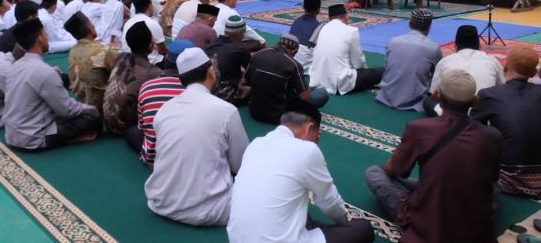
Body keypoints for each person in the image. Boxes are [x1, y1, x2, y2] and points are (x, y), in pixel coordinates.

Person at [366, 70, 501, 243]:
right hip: (473, 219)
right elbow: (493, 177)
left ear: (437, 96)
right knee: (492, 187)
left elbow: (396, 170)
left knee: (374, 173)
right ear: (474, 101)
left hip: (430, 220)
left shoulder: (419, 129)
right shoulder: (491, 135)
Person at [229, 99, 374, 243]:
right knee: (363, 228)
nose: (316, 142)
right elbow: (330, 203)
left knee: (296, 205)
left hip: (237, 239)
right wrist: (346, 222)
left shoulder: (256, 144)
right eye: (316, 137)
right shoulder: (307, 150)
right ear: (309, 127)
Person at [144, 47, 249, 226]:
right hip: (211, 211)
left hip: (161, 202)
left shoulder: (164, 109)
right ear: (211, 72)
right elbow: (240, 165)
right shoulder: (226, 110)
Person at [472, 46, 541, 198]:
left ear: (505, 66)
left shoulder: (488, 94)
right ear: (533, 73)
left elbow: (474, 136)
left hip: (511, 179)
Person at [3, 18, 102, 150]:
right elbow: (67, 110)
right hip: (35, 138)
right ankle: (71, 139)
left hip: (12, 135)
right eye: (45, 34)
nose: (47, 37)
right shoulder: (44, 71)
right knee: (93, 116)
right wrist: (89, 108)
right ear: (40, 38)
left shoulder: (16, 66)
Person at [245, 34, 329, 124]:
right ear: (294, 51)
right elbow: (305, 96)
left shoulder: (258, 55)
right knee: (322, 93)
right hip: (279, 116)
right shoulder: (293, 64)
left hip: (254, 111)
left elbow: (244, 81)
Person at [104, 21, 161, 147]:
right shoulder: (153, 73)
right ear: (151, 46)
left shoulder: (121, 57)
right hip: (125, 128)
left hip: (107, 122)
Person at [425, 25, 503, 116]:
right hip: (483, 114)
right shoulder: (492, 61)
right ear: (479, 45)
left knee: (428, 101)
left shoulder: (445, 61)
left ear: (455, 45)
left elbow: (434, 93)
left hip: (451, 115)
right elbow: (502, 88)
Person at [137, 40, 191, 168]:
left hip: (153, 159)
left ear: (166, 60)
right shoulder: (197, 92)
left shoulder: (147, 86)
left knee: (134, 131)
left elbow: (142, 127)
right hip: (185, 162)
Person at [376, 8, 443, 110]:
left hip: (387, 96)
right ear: (429, 27)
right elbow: (436, 77)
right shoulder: (433, 48)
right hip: (415, 99)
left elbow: (389, 66)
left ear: (409, 24)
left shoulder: (393, 41)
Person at [309, 4, 382, 95]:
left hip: (317, 79)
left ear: (329, 18)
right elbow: (358, 63)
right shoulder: (351, 31)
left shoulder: (322, 28)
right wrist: (365, 73)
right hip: (339, 83)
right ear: (346, 16)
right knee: (380, 71)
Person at [65, 11, 113, 111]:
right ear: (90, 27)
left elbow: (73, 81)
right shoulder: (103, 50)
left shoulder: (72, 51)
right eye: (92, 24)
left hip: (82, 107)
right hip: (102, 108)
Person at [207, 15, 253, 105]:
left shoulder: (213, 43)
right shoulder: (239, 48)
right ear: (239, 33)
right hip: (223, 93)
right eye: (244, 32)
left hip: (207, 88)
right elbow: (250, 71)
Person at [121, 0, 167, 65]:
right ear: (150, 6)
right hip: (149, 63)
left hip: (129, 61)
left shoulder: (128, 23)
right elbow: (163, 51)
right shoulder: (152, 23)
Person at [289, 0, 321, 74]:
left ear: (303, 7)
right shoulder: (318, 28)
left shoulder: (296, 22)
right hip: (306, 69)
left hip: (291, 64)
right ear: (319, 9)